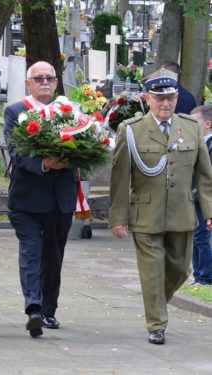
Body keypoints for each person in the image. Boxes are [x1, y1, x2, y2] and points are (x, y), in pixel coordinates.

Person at [109, 68, 212, 345]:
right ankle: (156, 324)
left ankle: (157, 302)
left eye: (170, 98)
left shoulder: (190, 128)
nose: (165, 103)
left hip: (182, 212)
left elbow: (205, 176)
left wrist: (210, 211)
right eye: (159, 98)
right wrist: (118, 218)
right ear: (147, 99)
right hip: (146, 213)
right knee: (152, 269)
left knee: (180, 270)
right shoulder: (131, 130)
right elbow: (119, 178)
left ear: (177, 98)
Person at [3, 61, 78, 338]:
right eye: (39, 78)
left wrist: (73, 156)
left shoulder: (70, 112)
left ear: (56, 83)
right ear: (29, 83)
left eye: (50, 78)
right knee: (31, 252)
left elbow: (85, 144)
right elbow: (16, 151)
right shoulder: (15, 112)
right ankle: (33, 307)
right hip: (28, 199)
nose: (45, 82)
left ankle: (48, 310)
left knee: (53, 256)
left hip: (61, 199)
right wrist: (45, 164)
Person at [190, 105, 212, 285]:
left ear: (208, 124)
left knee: (202, 239)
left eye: (195, 122)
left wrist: (194, 194)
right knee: (195, 239)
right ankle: (198, 276)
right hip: (193, 198)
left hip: (203, 200)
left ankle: (205, 277)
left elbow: (206, 177)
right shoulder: (198, 144)